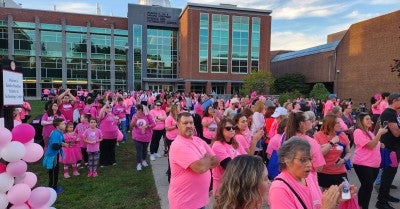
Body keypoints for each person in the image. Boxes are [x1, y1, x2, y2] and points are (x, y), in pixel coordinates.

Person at [269, 137, 357, 209]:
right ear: (287, 160)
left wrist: (335, 199)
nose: (309, 164)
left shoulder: (309, 176)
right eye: (303, 160)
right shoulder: (279, 189)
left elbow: (317, 204)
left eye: (310, 159)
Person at [168, 112, 219, 209]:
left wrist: (204, 162)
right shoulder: (179, 145)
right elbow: (200, 168)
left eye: (191, 123)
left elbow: (216, 161)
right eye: (185, 123)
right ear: (178, 125)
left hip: (201, 201)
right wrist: (206, 159)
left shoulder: (198, 140)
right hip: (184, 203)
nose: (189, 126)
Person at [351, 112, 387, 209]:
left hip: (373, 165)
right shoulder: (358, 131)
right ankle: (362, 206)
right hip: (363, 164)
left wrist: (381, 144)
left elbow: (374, 144)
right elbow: (371, 145)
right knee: (367, 187)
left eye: (370, 119)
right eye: (367, 119)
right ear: (360, 121)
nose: (370, 121)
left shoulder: (370, 133)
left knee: (367, 187)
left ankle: (361, 206)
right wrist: (379, 133)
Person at [285, 112, 326, 180]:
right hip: (307, 178)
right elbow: (319, 168)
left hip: (289, 177)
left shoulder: (285, 137)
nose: (311, 121)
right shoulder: (310, 142)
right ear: (302, 124)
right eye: (309, 120)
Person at [314, 115, 351, 189]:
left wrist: (343, 160)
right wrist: (332, 142)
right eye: (337, 123)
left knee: (345, 195)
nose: (339, 124)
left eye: (339, 122)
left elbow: (348, 152)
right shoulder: (318, 136)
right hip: (324, 172)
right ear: (330, 124)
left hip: (341, 172)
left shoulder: (342, 135)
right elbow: (320, 154)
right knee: (329, 198)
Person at [211, 118, 247, 195]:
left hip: (236, 184)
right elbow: (229, 167)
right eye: (228, 128)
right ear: (221, 130)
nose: (231, 130)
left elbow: (247, 160)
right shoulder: (217, 145)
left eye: (233, 128)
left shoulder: (235, 143)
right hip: (223, 186)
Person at [377, 93, 400, 209]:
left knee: (390, 174)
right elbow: (396, 133)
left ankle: (386, 196)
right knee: (388, 175)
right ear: (395, 101)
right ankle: (381, 202)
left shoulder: (393, 113)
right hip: (390, 149)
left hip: (393, 147)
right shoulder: (388, 113)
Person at [42, 118, 68, 194]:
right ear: (57, 126)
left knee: (54, 171)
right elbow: (54, 146)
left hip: (54, 154)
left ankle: (53, 186)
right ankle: (53, 188)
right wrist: (62, 145)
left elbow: (60, 141)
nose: (65, 125)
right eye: (63, 124)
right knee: (54, 171)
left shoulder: (59, 132)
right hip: (52, 156)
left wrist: (62, 143)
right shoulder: (56, 133)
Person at [131, 104, 155, 171]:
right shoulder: (134, 116)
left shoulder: (148, 115)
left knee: (144, 149)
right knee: (139, 151)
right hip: (137, 136)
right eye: (136, 110)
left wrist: (147, 126)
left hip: (146, 136)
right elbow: (132, 125)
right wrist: (136, 118)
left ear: (141, 110)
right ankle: (139, 163)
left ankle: (144, 160)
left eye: (138, 110)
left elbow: (154, 124)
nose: (136, 111)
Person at [98, 102, 119, 167]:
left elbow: (116, 123)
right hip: (105, 136)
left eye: (109, 107)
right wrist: (105, 105)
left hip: (113, 136)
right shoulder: (103, 115)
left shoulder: (113, 115)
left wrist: (118, 120)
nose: (108, 108)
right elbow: (101, 112)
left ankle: (112, 161)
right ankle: (103, 162)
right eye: (107, 107)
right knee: (104, 149)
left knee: (112, 149)